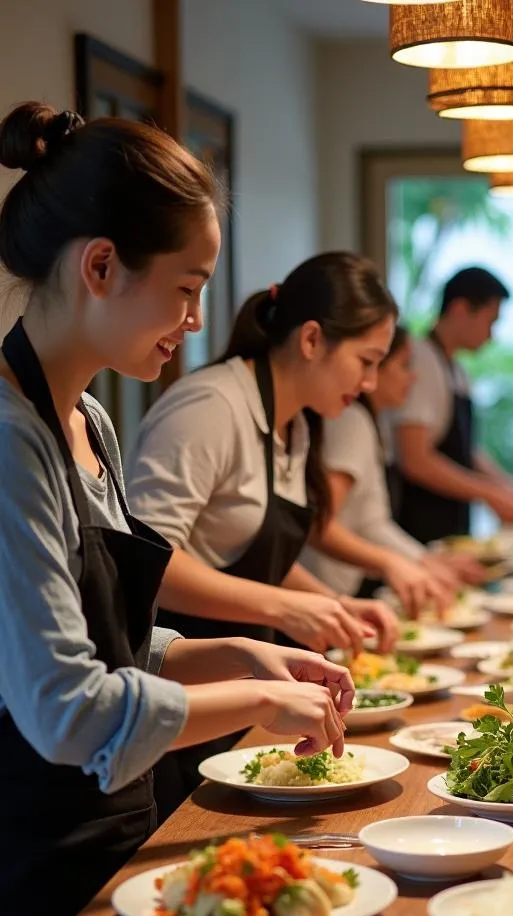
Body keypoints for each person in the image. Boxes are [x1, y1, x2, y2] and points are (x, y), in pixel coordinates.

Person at [0, 103, 353, 916]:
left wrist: (226, 654)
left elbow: (113, 637)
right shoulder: (10, 441)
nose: (196, 320)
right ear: (101, 266)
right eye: (187, 287)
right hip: (36, 874)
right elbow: (67, 708)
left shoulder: (86, 423)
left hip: (120, 841)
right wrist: (253, 702)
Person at [127, 252, 408, 819]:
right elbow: (146, 562)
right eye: (366, 361)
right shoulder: (210, 407)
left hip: (248, 682)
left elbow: (257, 553)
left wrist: (329, 604)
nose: (371, 382)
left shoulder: (297, 422)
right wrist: (286, 606)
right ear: (311, 340)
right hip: (186, 684)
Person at [300, 324, 485, 599]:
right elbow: (321, 523)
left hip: (340, 589)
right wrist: (405, 562)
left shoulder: (373, 424)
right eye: (404, 365)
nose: (413, 378)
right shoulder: (352, 422)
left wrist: (425, 561)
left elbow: (372, 521)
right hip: (325, 592)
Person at [392, 266, 513, 544]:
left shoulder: (457, 370)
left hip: (450, 524)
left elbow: (467, 451)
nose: (492, 335)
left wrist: (509, 489)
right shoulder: (421, 361)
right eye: (491, 321)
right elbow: (415, 458)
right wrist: (488, 493)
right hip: (418, 525)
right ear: (460, 309)